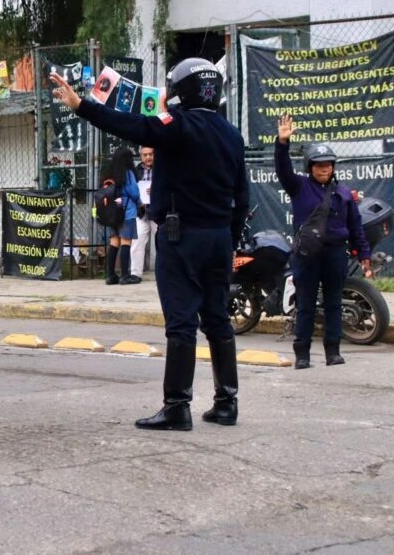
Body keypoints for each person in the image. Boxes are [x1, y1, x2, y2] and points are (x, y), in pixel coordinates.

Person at [50, 58, 248, 431]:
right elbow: (242, 197)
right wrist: (230, 241)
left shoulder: (178, 125)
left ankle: (177, 407)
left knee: (182, 322)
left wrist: (81, 106)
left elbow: (132, 124)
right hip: (219, 238)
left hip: (181, 236)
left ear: (183, 91)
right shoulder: (232, 135)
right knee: (218, 320)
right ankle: (227, 403)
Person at [274, 114, 372, 370]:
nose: (323, 169)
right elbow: (282, 170)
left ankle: (333, 352)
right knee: (305, 305)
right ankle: (302, 355)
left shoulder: (343, 193)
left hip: (335, 254)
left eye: (328, 165)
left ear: (333, 167)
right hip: (307, 255)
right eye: (318, 165)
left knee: (333, 304)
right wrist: (282, 143)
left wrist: (364, 254)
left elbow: (355, 226)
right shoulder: (299, 186)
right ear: (310, 167)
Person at [100, 146, 141, 285]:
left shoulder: (108, 173)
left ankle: (111, 276)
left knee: (114, 242)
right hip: (126, 211)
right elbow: (134, 193)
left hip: (112, 212)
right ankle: (125, 275)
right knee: (126, 242)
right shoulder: (127, 173)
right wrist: (140, 204)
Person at [129, 147, 158, 281]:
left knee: (161, 243)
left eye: (150, 154)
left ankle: (163, 273)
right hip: (142, 212)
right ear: (141, 156)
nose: (148, 157)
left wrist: (157, 189)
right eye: (145, 155)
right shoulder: (137, 170)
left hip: (158, 212)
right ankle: (135, 274)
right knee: (137, 242)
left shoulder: (162, 168)